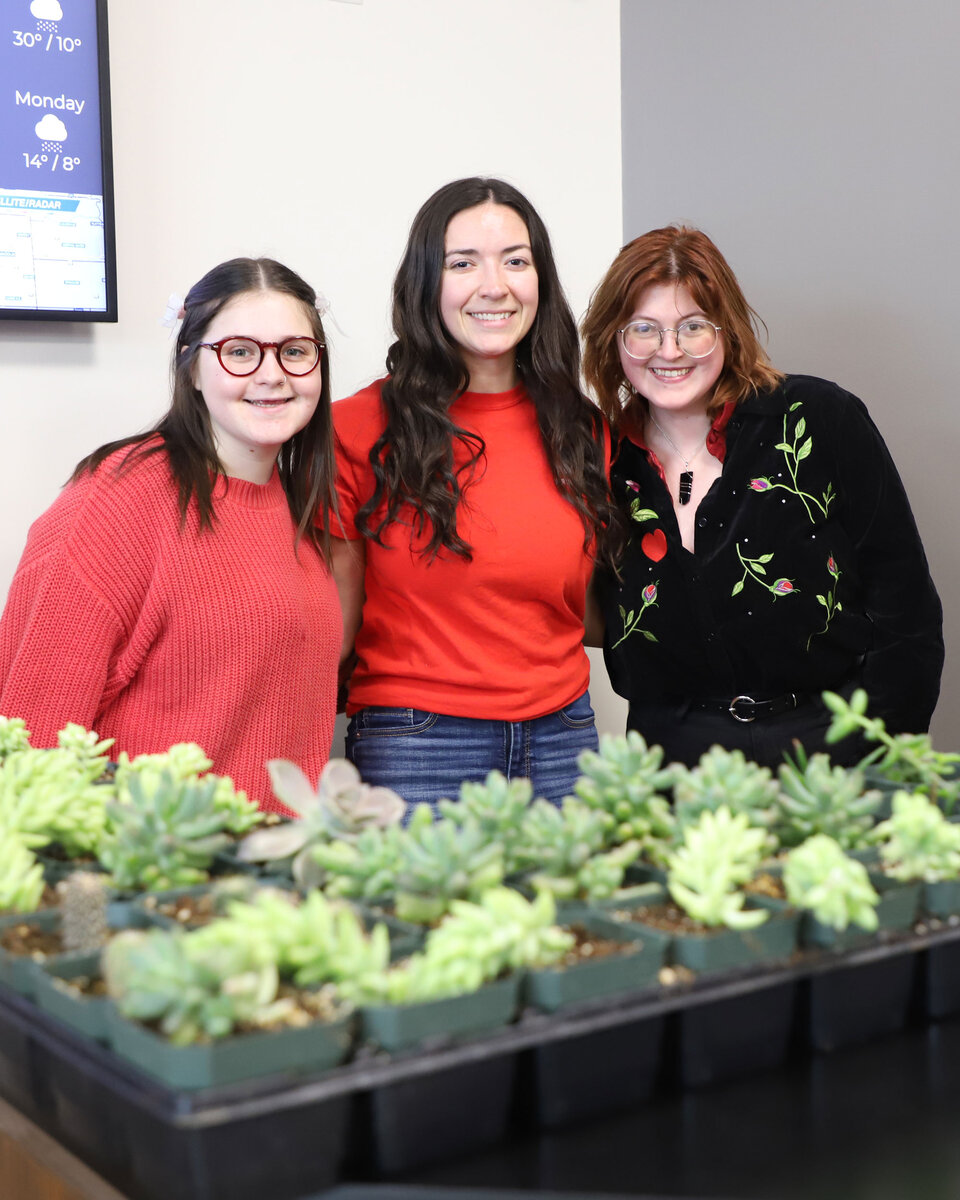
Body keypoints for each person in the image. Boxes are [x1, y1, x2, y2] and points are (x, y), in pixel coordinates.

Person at [580, 225, 943, 768]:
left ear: (728, 332)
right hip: (671, 763)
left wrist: (883, 758)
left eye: (694, 327)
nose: (669, 351)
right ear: (614, 338)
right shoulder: (598, 459)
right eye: (644, 329)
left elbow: (905, 611)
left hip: (830, 749)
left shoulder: (819, 418)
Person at [0, 258, 343, 810]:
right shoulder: (116, 500)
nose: (272, 373)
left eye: (295, 351)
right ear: (190, 368)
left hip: (263, 876)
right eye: (239, 351)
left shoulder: (299, 506)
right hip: (144, 872)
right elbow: (30, 734)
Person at [331, 177, 617, 810]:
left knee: (569, 913)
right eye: (464, 263)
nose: (496, 285)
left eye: (517, 261)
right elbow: (332, 633)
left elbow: (585, 603)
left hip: (565, 738)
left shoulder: (584, 429)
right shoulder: (353, 430)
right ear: (426, 282)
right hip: (417, 745)